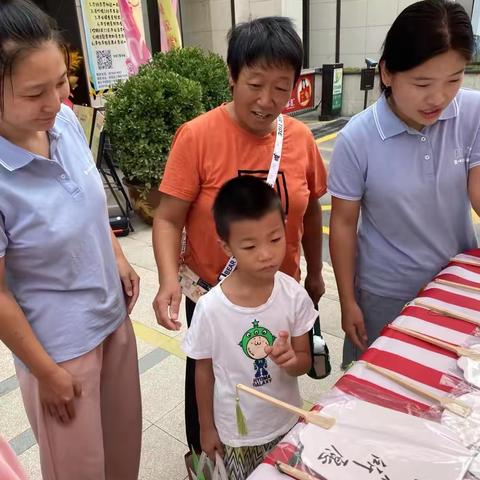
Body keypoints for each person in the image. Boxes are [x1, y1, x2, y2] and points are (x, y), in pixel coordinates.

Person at [152, 16, 327, 452]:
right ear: (232, 76)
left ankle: (269, 453)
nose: (268, 101)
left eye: (281, 87)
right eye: (255, 84)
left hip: (277, 294)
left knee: (274, 381)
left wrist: (316, 272)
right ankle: (207, 458)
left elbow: (309, 214)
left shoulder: (301, 139)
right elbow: (168, 217)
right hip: (216, 294)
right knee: (210, 387)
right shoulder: (196, 136)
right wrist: (169, 280)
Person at [0, 1, 142, 479]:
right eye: (34, 92)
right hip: (60, 351)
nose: (56, 102)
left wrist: (118, 255)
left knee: (124, 458)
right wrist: (46, 372)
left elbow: (86, 200)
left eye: (60, 83)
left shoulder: (61, 123)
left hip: (111, 319)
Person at [328, 0, 480, 368]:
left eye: (454, 79)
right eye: (423, 83)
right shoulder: (357, 138)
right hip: (386, 292)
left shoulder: (472, 113)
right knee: (384, 385)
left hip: (456, 284)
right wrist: (348, 300)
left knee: (451, 384)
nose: (439, 98)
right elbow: (343, 225)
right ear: (387, 73)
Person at [182, 175, 317, 478]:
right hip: (236, 434)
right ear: (227, 247)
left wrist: (292, 361)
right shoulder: (211, 308)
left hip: (287, 421)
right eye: (250, 245)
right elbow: (202, 372)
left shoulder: (293, 294)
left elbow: (303, 361)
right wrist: (206, 428)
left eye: (275, 239)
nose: (266, 254)